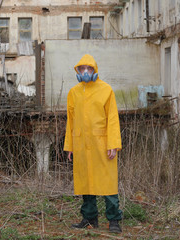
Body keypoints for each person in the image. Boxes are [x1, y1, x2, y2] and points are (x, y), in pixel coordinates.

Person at [63, 54, 123, 233]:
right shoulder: (73, 92)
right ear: (78, 71)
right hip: (81, 145)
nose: (86, 72)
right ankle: (89, 218)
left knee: (108, 182)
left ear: (95, 70)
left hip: (103, 145)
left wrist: (113, 144)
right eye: (82, 69)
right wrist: (70, 146)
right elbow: (71, 121)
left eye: (89, 69)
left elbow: (112, 119)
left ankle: (113, 220)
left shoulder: (106, 90)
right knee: (86, 182)